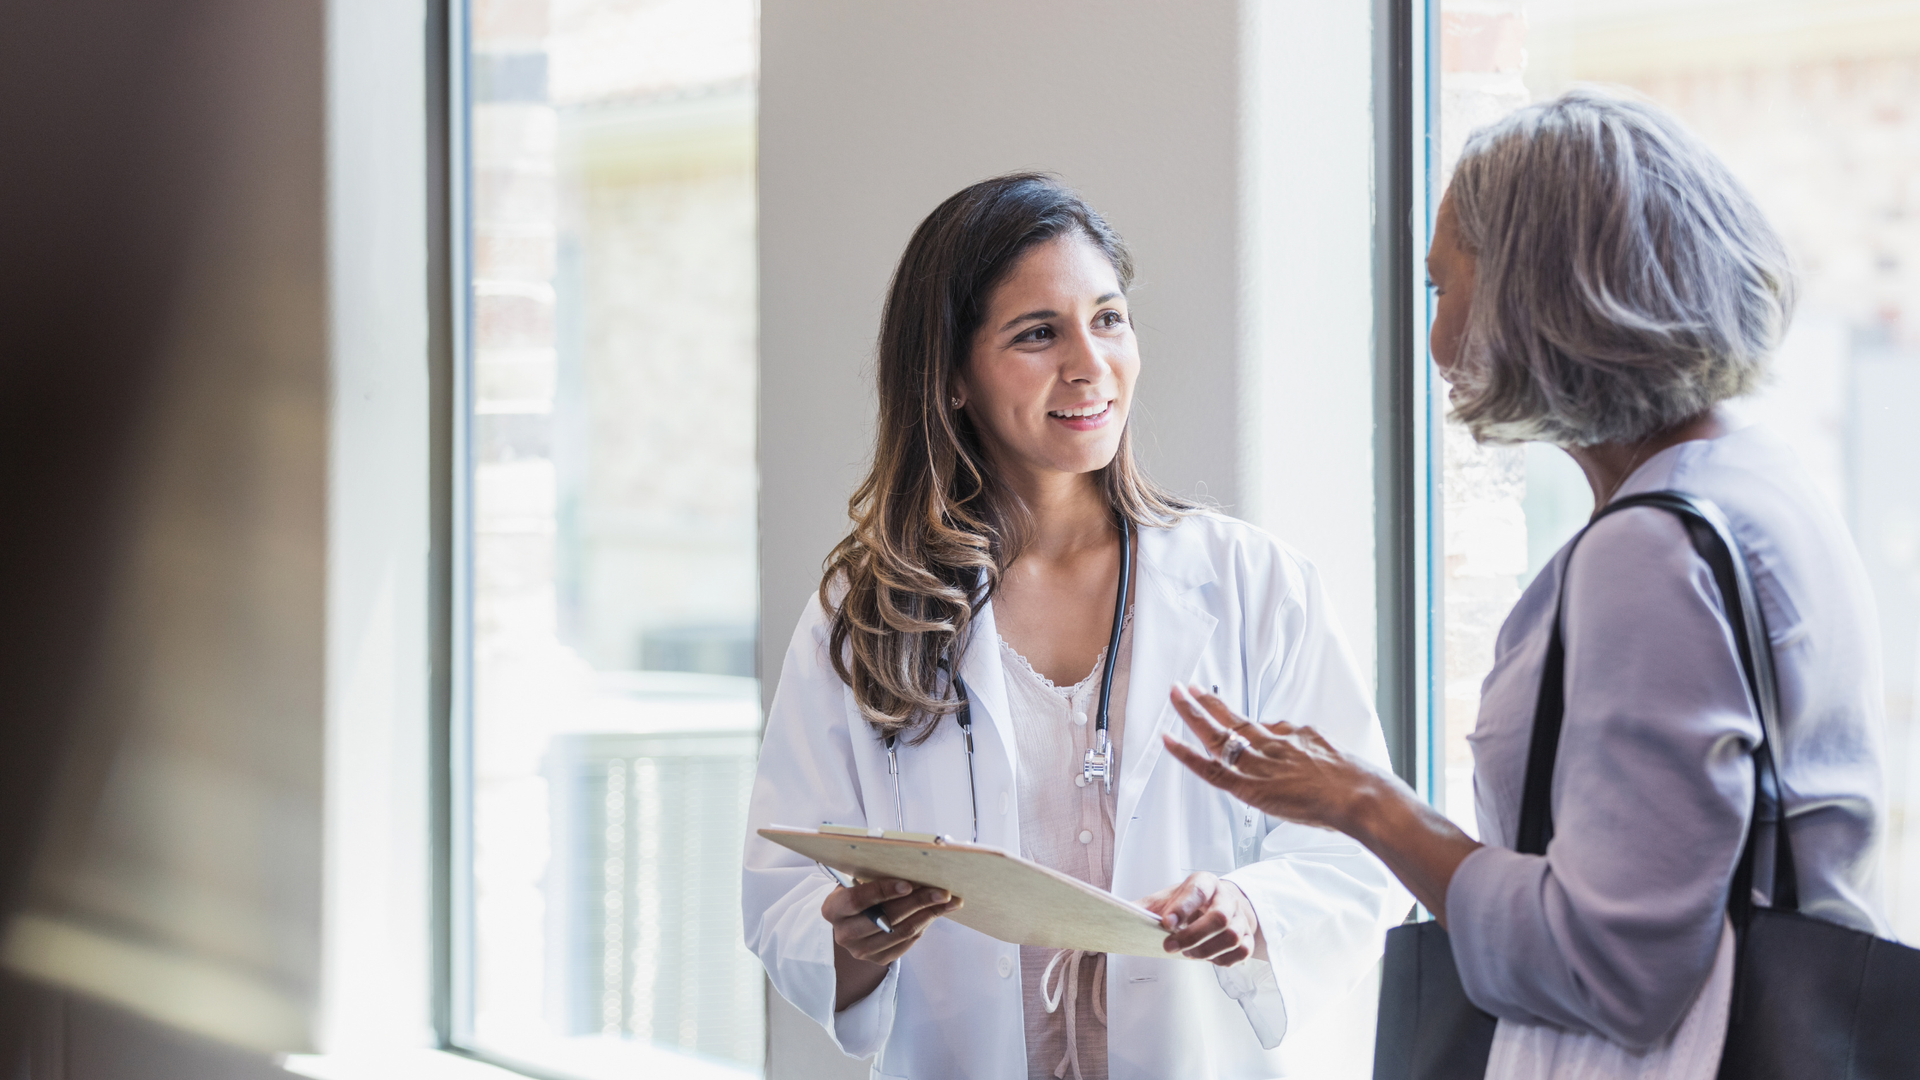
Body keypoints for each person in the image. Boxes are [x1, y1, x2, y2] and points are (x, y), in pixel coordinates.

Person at [1166, 88, 1890, 1069]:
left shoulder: (1651, 553)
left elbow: (1614, 970)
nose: (1433, 342)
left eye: (1442, 287)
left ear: (1533, 287)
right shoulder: (1758, 486)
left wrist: (1367, 806)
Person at [741, 174, 1405, 1080]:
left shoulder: (1256, 587)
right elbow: (782, 893)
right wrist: (856, 939)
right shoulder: (868, 611)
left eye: (1110, 318)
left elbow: (1356, 851)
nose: (1089, 363)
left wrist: (1250, 907)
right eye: (1037, 333)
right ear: (953, 376)